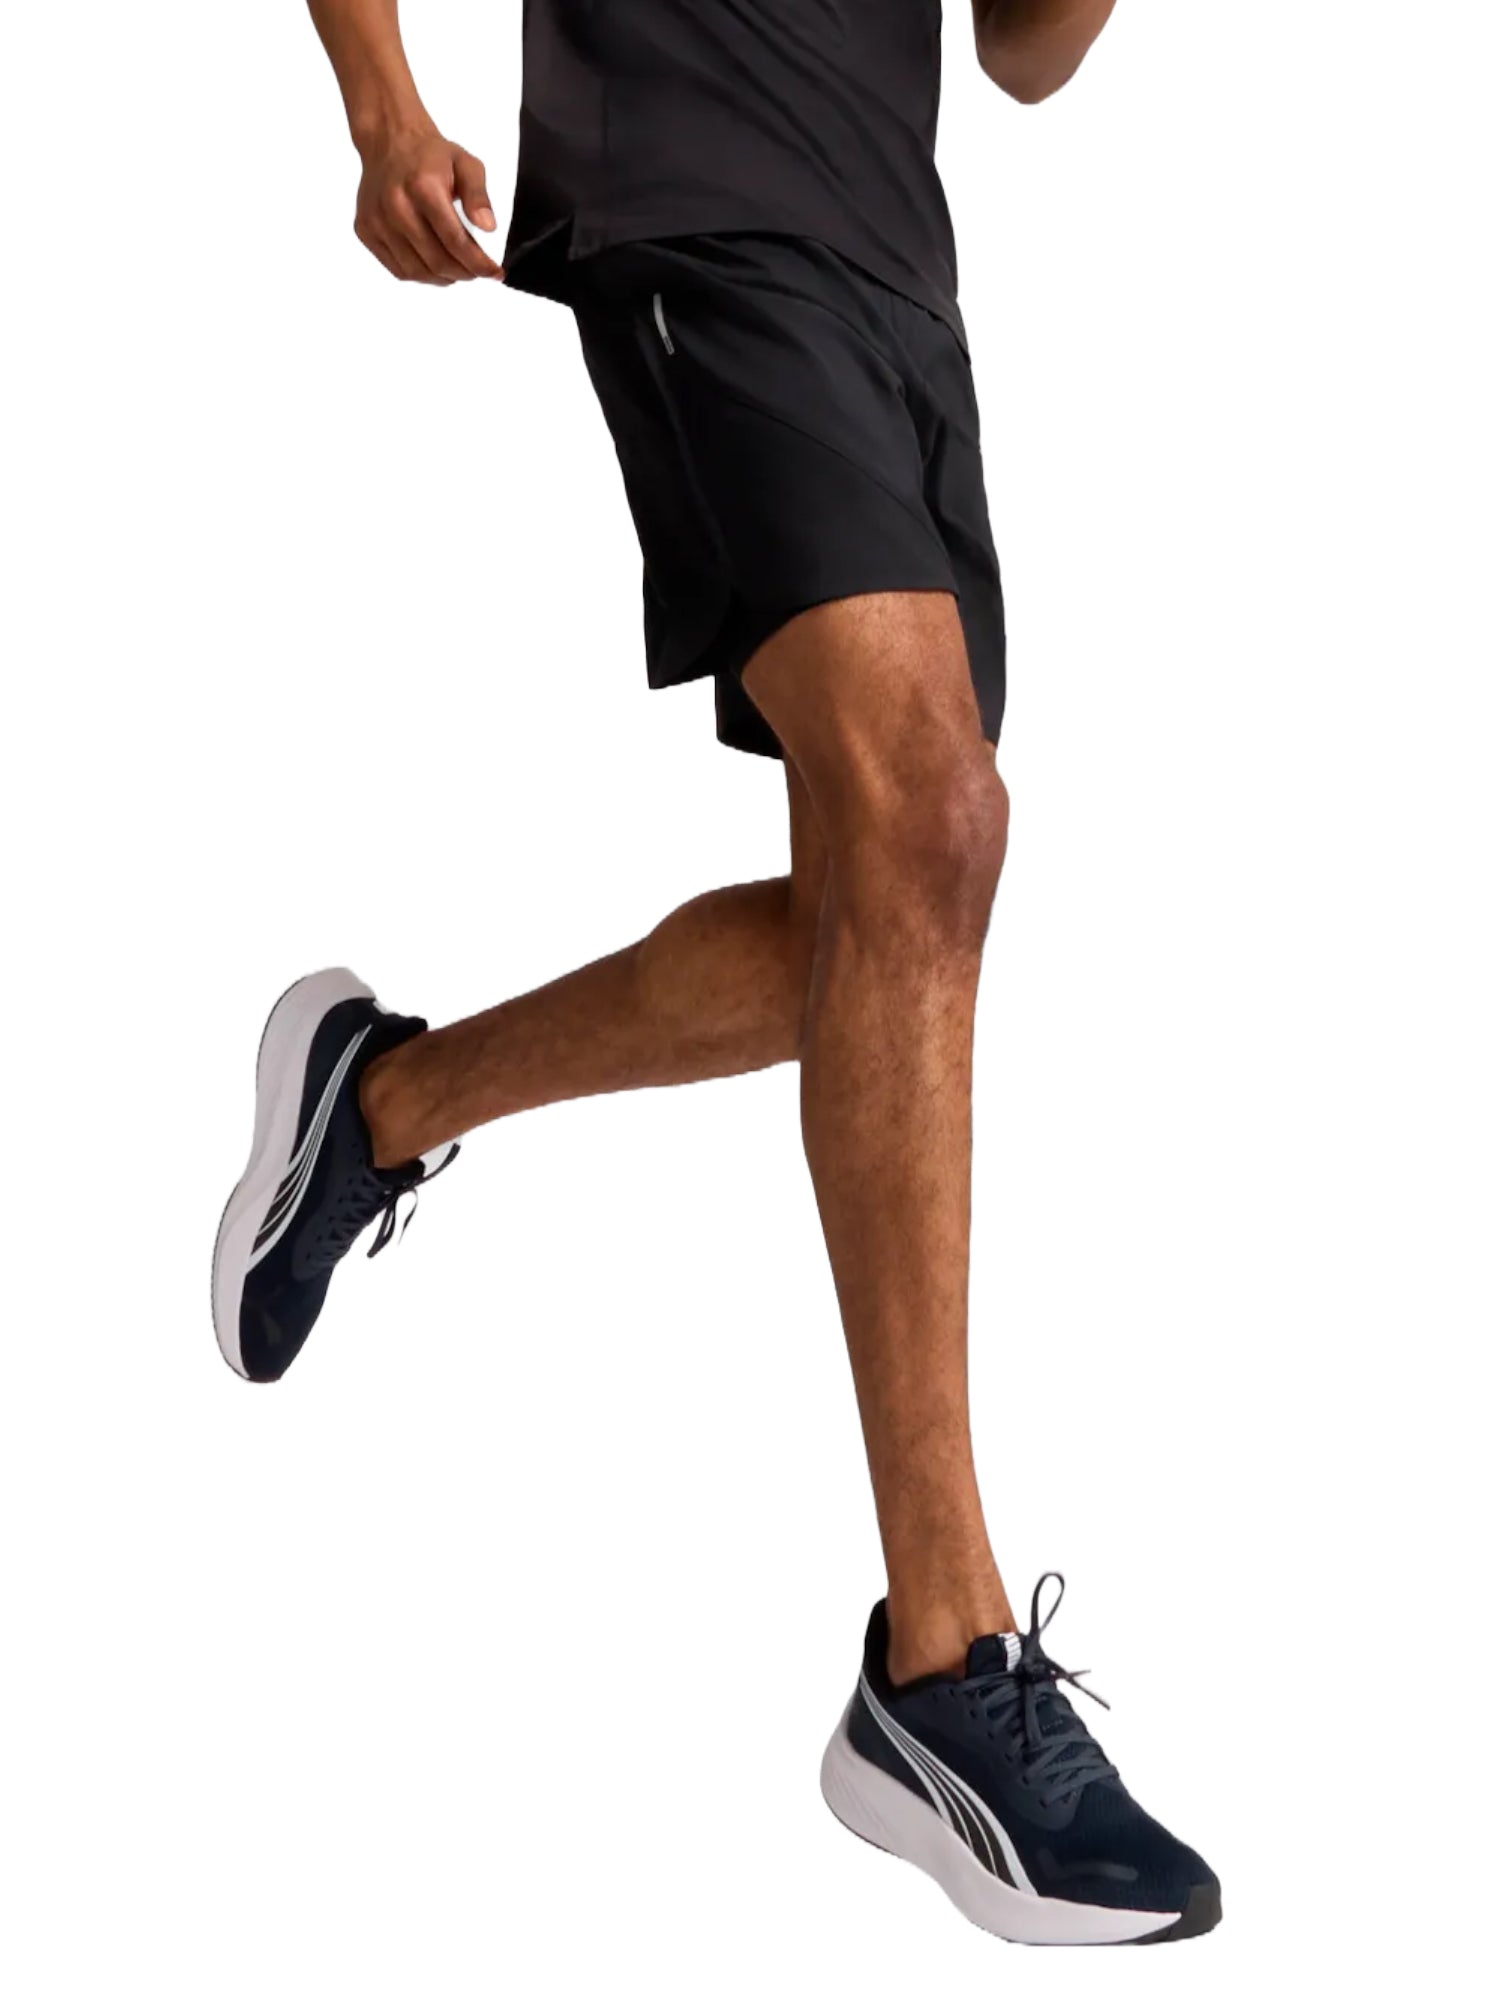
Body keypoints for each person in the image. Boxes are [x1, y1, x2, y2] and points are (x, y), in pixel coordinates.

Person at [212, 0, 1220, 1946]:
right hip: (688, 183)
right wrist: (380, 103)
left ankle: (379, 1101)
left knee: (885, 915)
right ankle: (942, 1660)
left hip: (891, 254)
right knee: (936, 825)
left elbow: (1027, 55)